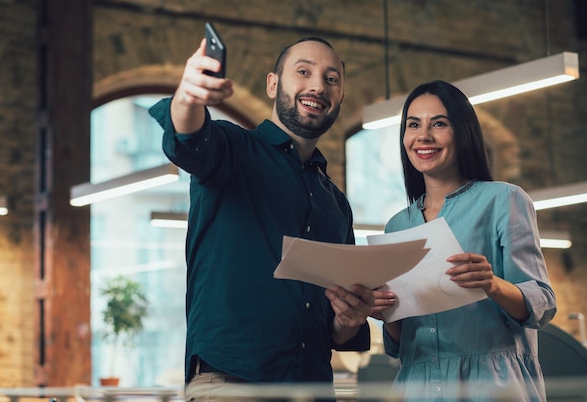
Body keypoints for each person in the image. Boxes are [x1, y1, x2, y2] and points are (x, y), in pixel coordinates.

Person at [149, 35, 374, 401]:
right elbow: (188, 139)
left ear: (340, 99)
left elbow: (334, 330)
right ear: (273, 84)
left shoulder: (336, 204)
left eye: (331, 79)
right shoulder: (232, 150)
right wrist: (188, 97)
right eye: (304, 71)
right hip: (232, 385)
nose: (318, 85)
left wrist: (349, 319)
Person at [369, 80, 557, 401]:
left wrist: (491, 284)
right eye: (413, 125)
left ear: (463, 132)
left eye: (439, 124)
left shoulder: (503, 199)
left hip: (493, 386)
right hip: (417, 387)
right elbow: (402, 343)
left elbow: (541, 302)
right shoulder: (396, 225)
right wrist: (385, 311)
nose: (423, 136)